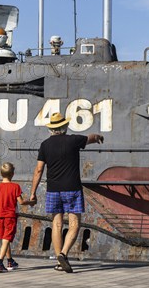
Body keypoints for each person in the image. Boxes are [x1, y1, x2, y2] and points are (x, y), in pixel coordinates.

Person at [29, 112, 104, 273]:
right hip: (72, 189)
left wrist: (33, 192)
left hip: (53, 190)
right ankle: (63, 254)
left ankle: (58, 261)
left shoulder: (45, 145)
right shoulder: (73, 140)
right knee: (74, 224)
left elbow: (39, 169)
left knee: (56, 224)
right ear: (65, 127)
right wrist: (97, 137)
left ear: (51, 129)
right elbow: (90, 138)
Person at [0, 162, 34, 273]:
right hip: (10, 217)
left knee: (4, 239)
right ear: (13, 174)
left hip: (0, 217)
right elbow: (21, 202)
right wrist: (31, 202)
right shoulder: (15, 187)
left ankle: (10, 261)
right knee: (7, 239)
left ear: (0, 173)